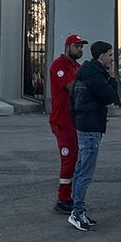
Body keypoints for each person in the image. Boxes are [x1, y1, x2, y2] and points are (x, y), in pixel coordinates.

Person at [68, 40, 121, 231]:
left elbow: (72, 98)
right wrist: (112, 77)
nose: (112, 59)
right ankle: (77, 213)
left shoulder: (84, 73)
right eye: (110, 55)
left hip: (84, 124)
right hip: (90, 127)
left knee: (80, 168)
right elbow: (109, 97)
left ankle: (76, 209)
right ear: (101, 56)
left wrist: (77, 118)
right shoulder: (96, 76)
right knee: (85, 172)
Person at [49, 34, 88, 214]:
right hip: (62, 120)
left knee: (76, 158)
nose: (80, 50)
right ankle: (62, 199)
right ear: (67, 47)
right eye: (76, 46)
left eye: (81, 47)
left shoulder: (77, 67)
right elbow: (73, 88)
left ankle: (70, 197)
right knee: (69, 159)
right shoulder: (59, 66)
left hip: (74, 119)